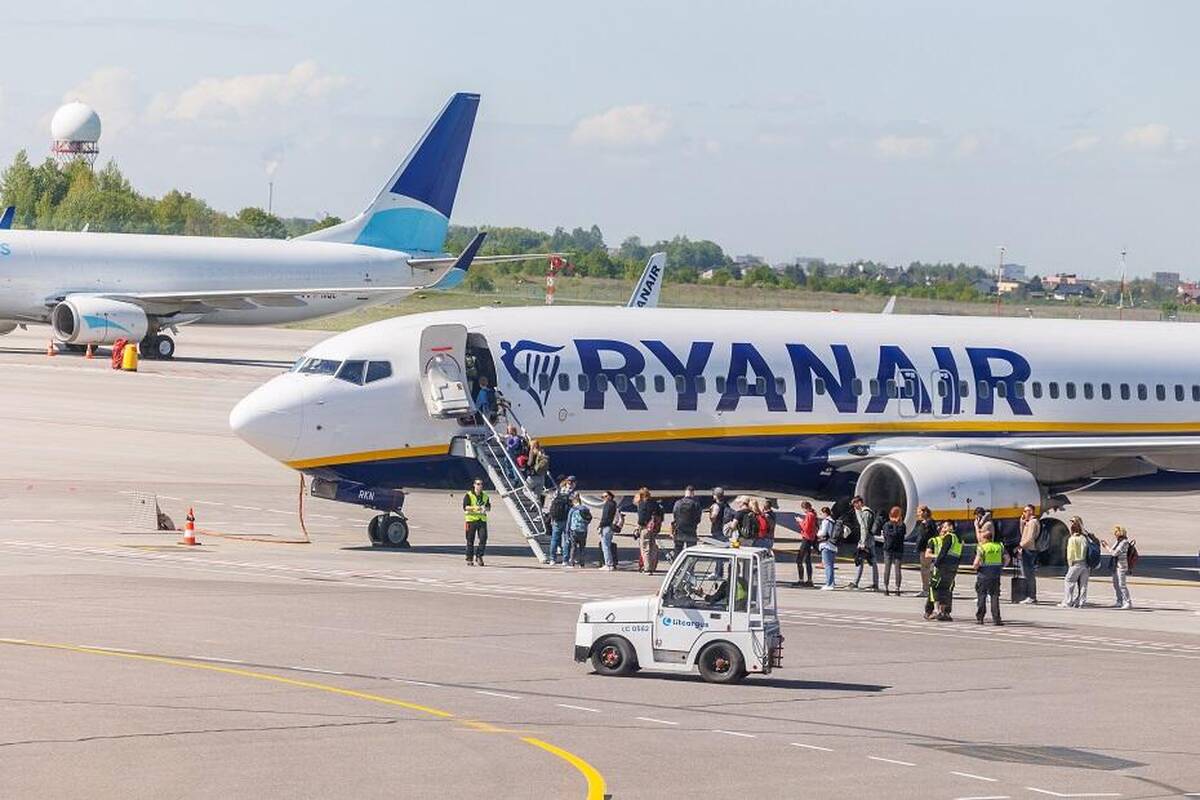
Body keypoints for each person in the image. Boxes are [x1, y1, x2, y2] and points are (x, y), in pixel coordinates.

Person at [925, 521, 962, 621]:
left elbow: (943, 552)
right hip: (952, 567)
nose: (944, 529)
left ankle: (938, 611)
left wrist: (937, 563)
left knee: (936, 586)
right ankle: (941, 612)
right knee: (945, 588)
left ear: (950, 527)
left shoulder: (949, 537)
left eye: (945, 527)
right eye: (943, 528)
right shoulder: (958, 539)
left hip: (943, 566)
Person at [973, 527, 1008, 624]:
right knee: (994, 596)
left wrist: (975, 568)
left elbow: (976, 563)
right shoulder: (999, 546)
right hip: (995, 575)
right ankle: (996, 619)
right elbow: (1007, 558)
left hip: (983, 575)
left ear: (984, 538)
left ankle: (980, 618)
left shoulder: (982, 547)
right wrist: (1001, 566)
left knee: (982, 596)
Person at [849, 496, 879, 591]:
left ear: (860, 503)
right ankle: (874, 583)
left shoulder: (866, 513)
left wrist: (862, 542)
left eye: (855, 504)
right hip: (868, 540)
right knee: (869, 561)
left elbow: (864, 528)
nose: (854, 506)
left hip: (866, 541)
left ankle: (857, 582)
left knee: (862, 560)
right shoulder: (864, 512)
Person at [1102, 525, 1135, 610]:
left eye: (1116, 532)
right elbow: (1113, 550)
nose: (1114, 534)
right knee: (1115, 584)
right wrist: (1108, 547)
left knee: (1122, 585)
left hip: (1121, 566)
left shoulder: (1124, 542)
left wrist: (1106, 547)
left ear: (1120, 532)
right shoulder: (1118, 541)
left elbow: (1114, 553)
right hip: (1115, 565)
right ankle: (1119, 600)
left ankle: (1128, 602)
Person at [1061, 516, 1089, 608]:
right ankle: (1082, 602)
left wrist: (1070, 564)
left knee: (1069, 581)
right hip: (1085, 563)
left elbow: (1070, 553)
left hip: (1076, 563)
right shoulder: (1084, 538)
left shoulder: (1072, 539)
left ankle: (1068, 601)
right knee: (1083, 584)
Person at [462, 478, 491, 566]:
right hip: (471, 520)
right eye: (478, 484)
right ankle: (469, 558)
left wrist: (485, 508)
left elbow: (488, 507)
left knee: (483, 538)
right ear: (474, 485)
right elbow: (466, 507)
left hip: (481, 520)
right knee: (470, 540)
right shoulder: (469, 495)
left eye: (481, 484)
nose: (480, 486)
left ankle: (479, 556)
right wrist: (476, 508)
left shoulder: (485, 496)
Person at [545, 478, 574, 565]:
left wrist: (551, 517)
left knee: (554, 540)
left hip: (556, 520)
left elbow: (551, 504)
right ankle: (565, 560)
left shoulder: (557, 492)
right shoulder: (572, 493)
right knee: (566, 540)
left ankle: (552, 559)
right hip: (566, 520)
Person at [635, 488, 663, 574]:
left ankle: (647, 568)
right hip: (654, 528)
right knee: (653, 548)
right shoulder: (654, 503)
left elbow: (641, 519)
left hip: (645, 528)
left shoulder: (642, 504)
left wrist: (638, 527)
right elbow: (661, 515)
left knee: (645, 549)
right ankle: (653, 566)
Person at [880, 505, 906, 596]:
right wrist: (895, 525)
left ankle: (895, 588)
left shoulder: (901, 525)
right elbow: (891, 535)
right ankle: (888, 587)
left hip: (894, 549)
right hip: (891, 549)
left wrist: (896, 524)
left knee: (895, 569)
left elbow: (898, 535)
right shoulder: (888, 525)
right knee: (889, 568)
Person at [913, 505, 938, 598]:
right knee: (925, 568)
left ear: (925, 512)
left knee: (925, 569)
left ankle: (926, 589)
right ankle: (927, 588)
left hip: (926, 549)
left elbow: (929, 536)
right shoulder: (924, 523)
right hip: (923, 548)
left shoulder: (929, 523)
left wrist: (929, 547)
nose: (918, 514)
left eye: (919, 512)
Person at [1018, 504, 1040, 605]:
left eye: (1025, 511)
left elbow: (1030, 538)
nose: (1023, 513)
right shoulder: (1028, 522)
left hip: (1029, 550)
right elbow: (1023, 535)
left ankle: (1031, 596)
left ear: (1030, 512)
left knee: (1028, 574)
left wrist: (1020, 546)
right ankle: (1029, 595)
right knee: (1026, 574)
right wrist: (1022, 523)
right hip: (1026, 549)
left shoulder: (1033, 522)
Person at [671, 486, 703, 554]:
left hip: (679, 530)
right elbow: (698, 518)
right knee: (692, 551)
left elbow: (674, 515)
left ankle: (676, 560)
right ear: (693, 493)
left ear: (685, 492)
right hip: (691, 530)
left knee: (678, 550)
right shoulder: (696, 504)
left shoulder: (678, 503)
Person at [795, 501, 818, 587]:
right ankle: (809, 580)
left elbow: (806, 528)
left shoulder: (809, 515)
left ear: (805, 508)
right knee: (807, 559)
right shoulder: (813, 514)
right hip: (810, 538)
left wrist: (800, 522)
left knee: (799, 559)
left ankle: (801, 580)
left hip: (807, 538)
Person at [565, 496, 592, 568]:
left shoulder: (573, 510)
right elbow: (589, 519)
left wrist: (567, 532)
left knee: (573, 547)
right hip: (583, 530)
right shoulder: (586, 509)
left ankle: (572, 563)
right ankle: (582, 563)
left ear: (574, 502)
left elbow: (569, 521)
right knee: (582, 547)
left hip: (574, 530)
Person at [817, 506, 838, 590]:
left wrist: (818, 533)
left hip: (826, 545)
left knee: (827, 565)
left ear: (825, 513)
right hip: (833, 545)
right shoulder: (833, 521)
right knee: (831, 565)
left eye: (822, 513)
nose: (821, 515)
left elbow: (823, 532)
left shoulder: (825, 521)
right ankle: (832, 582)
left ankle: (829, 584)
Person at [598, 491, 618, 571]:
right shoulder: (613, 504)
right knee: (608, 546)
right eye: (603, 497)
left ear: (609, 496)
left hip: (606, 527)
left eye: (605, 496)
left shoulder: (608, 505)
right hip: (610, 527)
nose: (604, 498)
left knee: (605, 546)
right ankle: (610, 564)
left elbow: (605, 517)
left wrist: (600, 526)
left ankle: (608, 564)